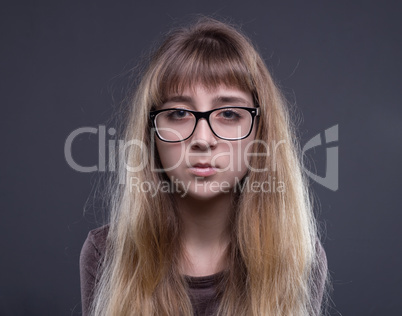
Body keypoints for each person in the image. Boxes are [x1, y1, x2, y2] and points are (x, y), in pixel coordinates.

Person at [80, 16, 329, 316]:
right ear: (151, 132)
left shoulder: (301, 256)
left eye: (228, 113)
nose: (202, 139)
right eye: (179, 113)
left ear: (262, 130)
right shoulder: (106, 254)